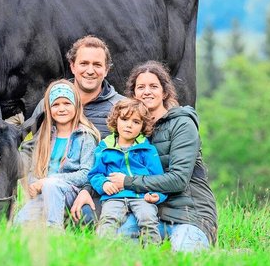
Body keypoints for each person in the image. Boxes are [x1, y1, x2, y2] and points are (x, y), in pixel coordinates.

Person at [71, 60, 218, 252]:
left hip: (188, 213)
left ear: (164, 92)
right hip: (147, 212)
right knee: (114, 250)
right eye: (140, 87)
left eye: (153, 86)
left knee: (184, 254)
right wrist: (87, 190)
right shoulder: (131, 128)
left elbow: (179, 179)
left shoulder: (182, 124)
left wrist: (127, 182)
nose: (146, 91)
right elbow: (109, 161)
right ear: (133, 95)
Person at [20, 35, 124, 225]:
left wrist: (88, 190)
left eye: (97, 64)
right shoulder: (49, 103)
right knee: (23, 224)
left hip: (100, 190)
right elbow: (30, 148)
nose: (90, 70)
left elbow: (127, 158)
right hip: (48, 187)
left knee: (84, 220)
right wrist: (31, 184)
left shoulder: (120, 108)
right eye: (84, 63)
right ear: (72, 66)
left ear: (107, 69)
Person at [14, 80, 100, 229]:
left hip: (71, 191)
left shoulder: (85, 136)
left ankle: (54, 230)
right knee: (19, 223)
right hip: (44, 192)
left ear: (76, 105)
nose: (61, 109)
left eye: (67, 103)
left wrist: (49, 181)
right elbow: (36, 168)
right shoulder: (45, 136)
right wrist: (34, 184)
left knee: (52, 185)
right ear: (49, 109)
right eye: (56, 104)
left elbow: (86, 173)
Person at [88, 98, 166, 244]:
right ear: (116, 120)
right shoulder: (104, 147)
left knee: (148, 219)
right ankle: (102, 251)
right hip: (114, 197)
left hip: (142, 197)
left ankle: (154, 252)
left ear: (143, 126)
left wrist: (157, 196)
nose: (129, 125)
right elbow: (95, 174)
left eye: (136, 122)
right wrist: (104, 184)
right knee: (108, 220)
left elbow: (158, 178)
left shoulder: (147, 149)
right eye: (124, 119)